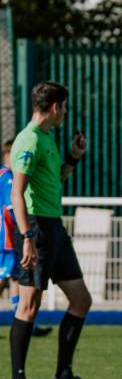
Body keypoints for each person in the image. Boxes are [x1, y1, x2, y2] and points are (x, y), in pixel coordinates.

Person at [8, 81, 97, 379]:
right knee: (29, 305)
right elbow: (16, 192)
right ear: (56, 106)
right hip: (36, 228)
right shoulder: (28, 140)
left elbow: (54, 178)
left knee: (81, 300)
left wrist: (73, 158)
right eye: (66, 106)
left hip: (53, 227)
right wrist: (27, 236)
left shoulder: (46, 138)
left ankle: (63, 377)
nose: (66, 113)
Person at [0, 140, 51, 338]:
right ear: (7, 156)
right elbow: (12, 207)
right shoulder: (9, 178)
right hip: (7, 237)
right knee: (4, 278)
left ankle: (21, 321)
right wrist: (26, 227)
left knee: (15, 277)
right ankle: (24, 321)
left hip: (7, 236)